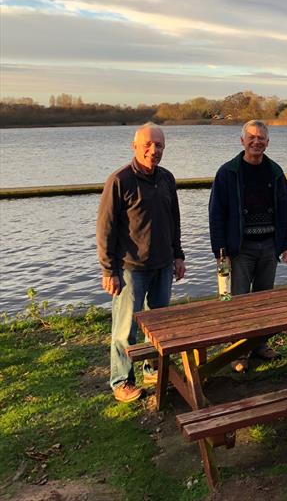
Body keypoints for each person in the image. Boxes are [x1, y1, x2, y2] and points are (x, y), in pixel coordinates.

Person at [97, 123, 185, 403]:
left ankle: (151, 368)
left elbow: (174, 220)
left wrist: (178, 255)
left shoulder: (167, 178)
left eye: (158, 145)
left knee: (158, 325)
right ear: (134, 146)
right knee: (125, 329)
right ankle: (121, 380)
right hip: (130, 269)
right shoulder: (119, 180)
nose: (153, 150)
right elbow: (105, 229)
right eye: (147, 145)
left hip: (163, 266)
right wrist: (109, 270)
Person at [209, 120, 287, 371]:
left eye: (261, 138)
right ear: (242, 141)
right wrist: (220, 252)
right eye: (251, 137)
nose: (256, 142)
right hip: (239, 249)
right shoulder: (228, 173)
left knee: (262, 300)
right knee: (237, 301)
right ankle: (239, 352)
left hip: (269, 247)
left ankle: (259, 344)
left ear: (267, 143)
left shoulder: (276, 172)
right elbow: (216, 215)